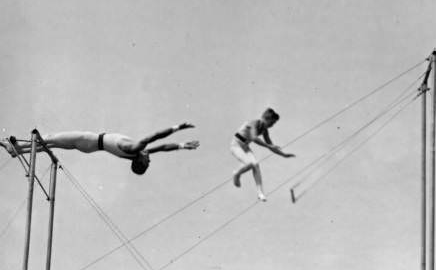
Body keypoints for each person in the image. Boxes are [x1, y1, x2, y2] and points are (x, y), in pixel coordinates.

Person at [0, 123, 199, 175]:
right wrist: (181, 145)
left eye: (148, 160)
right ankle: (17, 149)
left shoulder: (135, 148)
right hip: (90, 145)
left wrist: (178, 128)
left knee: (50, 139)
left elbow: (153, 138)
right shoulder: (135, 154)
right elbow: (162, 147)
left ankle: (16, 149)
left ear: (139, 159)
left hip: (88, 141)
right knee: (48, 144)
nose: (150, 157)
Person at [231, 108, 294, 201]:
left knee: (256, 165)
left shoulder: (264, 130)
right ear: (267, 119)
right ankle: (236, 173)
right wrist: (268, 145)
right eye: (272, 123)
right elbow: (254, 138)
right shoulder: (254, 122)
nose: (272, 125)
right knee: (250, 163)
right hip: (236, 145)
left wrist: (283, 155)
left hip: (245, 146)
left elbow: (271, 146)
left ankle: (260, 193)